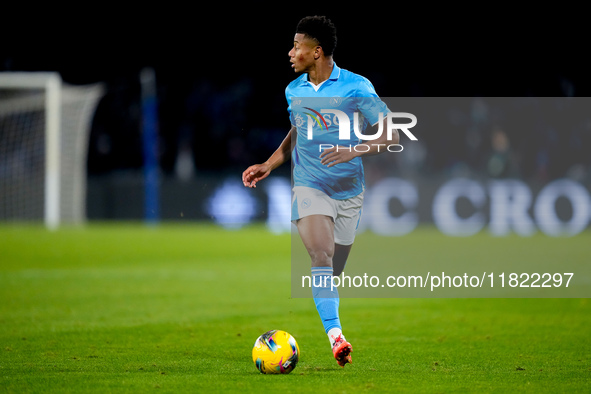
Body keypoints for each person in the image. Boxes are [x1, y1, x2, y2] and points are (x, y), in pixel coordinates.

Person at [242, 15, 397, 368]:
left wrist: (353, 150)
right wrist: (270, 162)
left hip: (349, 191)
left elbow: (391, 135)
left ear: (317, 52)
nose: (291, 52)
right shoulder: (294, 90)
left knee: (332, 271)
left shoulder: (356, 87)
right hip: (309, 185)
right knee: (320, 257)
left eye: (297, 46)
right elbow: (297, 130)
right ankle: (336, 337)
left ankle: (329, 314)